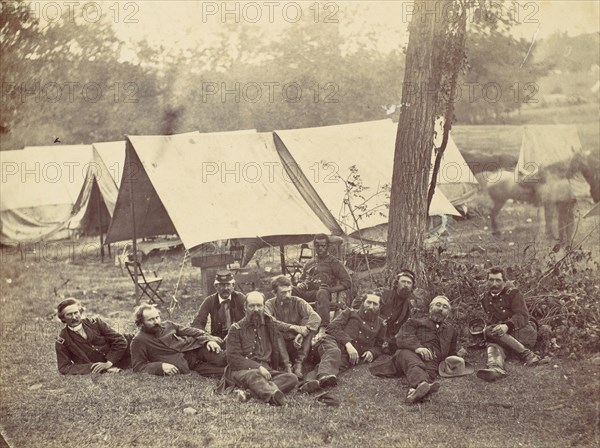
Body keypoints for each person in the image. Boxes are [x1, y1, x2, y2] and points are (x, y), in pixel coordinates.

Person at [370, 296, 458, 404]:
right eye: (438, 305)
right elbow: (403, 337)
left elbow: (451, 352)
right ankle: (421, 384)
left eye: (445, 307)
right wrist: (418, 348)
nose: (441, 309)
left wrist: (457, 359)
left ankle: (415, 391)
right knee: (407, 356)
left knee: (428, 371)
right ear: (430, 308)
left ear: (448, 313)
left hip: (431, 363)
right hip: (407, 356)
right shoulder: (414, 322)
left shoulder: (451, 331)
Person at [224, 291, 299, 405]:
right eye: (251, 306)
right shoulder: (236, 329)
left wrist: (300, 331)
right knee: (254, 375)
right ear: (245, 308)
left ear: (264, 307)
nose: (256, 309)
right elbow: (233, 359)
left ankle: (249, 393)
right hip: (242, 371)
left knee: (292, 378)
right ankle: (273, 396)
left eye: (259, 305)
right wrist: (257, 367)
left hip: (266, 370)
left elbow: (282, 328)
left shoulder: (270, 324)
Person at [301, 293, 385, 392]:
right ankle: (324, 376)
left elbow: (379, 346)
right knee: (334, 352)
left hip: (348, 356)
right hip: (330, 342)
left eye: (375, 304)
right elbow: (331, 328)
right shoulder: (350, 312)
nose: (371, 306)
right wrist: (348, 343)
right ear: (363, 303)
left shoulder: (381, 324)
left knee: (334, 364)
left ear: (380, 307)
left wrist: (372, 352)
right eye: (368, 302)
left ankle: (309, 383)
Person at [476, 267, 541, 382]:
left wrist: (507, 326)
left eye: (498, 280)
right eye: (491, 280)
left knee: (490, 332)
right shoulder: (485, 298)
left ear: (505, 282)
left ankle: (528, 355)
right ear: (487, 281)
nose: (494, 284)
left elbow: (522, 315)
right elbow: (493, 320)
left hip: (524, 332)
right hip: (504, 338)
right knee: (492, 344)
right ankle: (496, 369)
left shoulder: (513, 294)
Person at [130, 304, 225, 377]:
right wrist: (161, 366)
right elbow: (138, 367)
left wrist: (208, 340)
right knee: (223, 372)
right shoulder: (139, 340)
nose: (156, 322)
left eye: (157, 317)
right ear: (141, 323)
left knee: (223, 359)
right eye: (151, 320)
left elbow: (193, 331)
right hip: (190, 365)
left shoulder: (168, 324)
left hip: (198, 349)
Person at [265, 275, 321, 378]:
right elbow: (269, 321)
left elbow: (316, 317)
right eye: (283, 292)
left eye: (289, 291)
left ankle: (299, 364)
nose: (288, 295)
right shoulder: (269, 304)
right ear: (274, 293)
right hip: (279, 346)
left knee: (309, 325)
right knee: (274, 329)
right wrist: (293, 327)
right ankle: (287, 367)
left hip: (298, 344)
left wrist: (303, 332)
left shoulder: (298, 301)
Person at [55, 298, 130, 375]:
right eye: (69, 314)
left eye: (76, 313)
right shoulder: (62, 339)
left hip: (125, 352)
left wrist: (109, 363)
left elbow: (120, 340)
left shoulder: (95, 323)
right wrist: (94, 367)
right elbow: (64, 367)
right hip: (117, 365)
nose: (74, 317)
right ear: (63, 318)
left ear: (80, 312)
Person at [292, 234, 352, 330]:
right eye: (317, 245)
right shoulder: (309, 263)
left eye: (323, 246)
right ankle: (292, 321)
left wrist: (331, 289)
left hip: (323, 294)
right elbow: (302, 279)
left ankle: (323, 327)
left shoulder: (334, 262)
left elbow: (348, 282)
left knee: (322, 292)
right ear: (314, 246)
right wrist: (300, 284)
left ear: (327, 246)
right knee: (291, 290)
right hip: (307, 292)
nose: (320, 248)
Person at [351, 269, 414, 354]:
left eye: (409, 283)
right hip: (366, 328)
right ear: (396, 283)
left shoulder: (408, 307)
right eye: (403, 281)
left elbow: (403, 327)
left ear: (412, 286)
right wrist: (373, 318)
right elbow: (358, 302)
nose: (406, 285)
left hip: (386, 338)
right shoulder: (383, 293)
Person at [191, 270, 245, 340]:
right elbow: (196, 324)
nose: (225, 288)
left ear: (233, 286)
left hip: (239, 338)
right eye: (222, 285)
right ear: (216, 286)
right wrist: (209, 338)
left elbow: (251, 317)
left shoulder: (240, 298)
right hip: (218, 339)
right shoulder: (209, 301)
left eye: (228, 285)